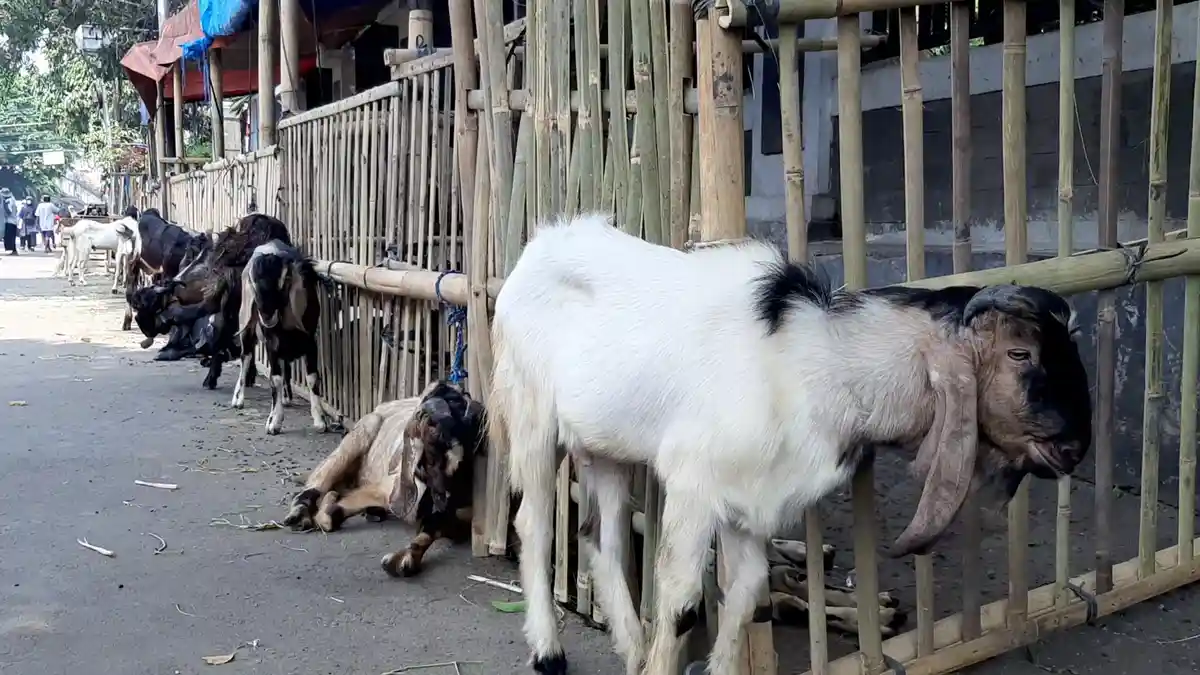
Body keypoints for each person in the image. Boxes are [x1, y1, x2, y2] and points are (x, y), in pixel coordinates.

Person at [1, 188, 18, 256]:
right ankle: (14, 250)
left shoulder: (9, 201)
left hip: (10, 221)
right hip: (12, 221)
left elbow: (9, 212)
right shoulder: (12, 199)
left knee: (10, 237)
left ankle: (13, 250)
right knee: (11, 237)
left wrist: (5, 206)